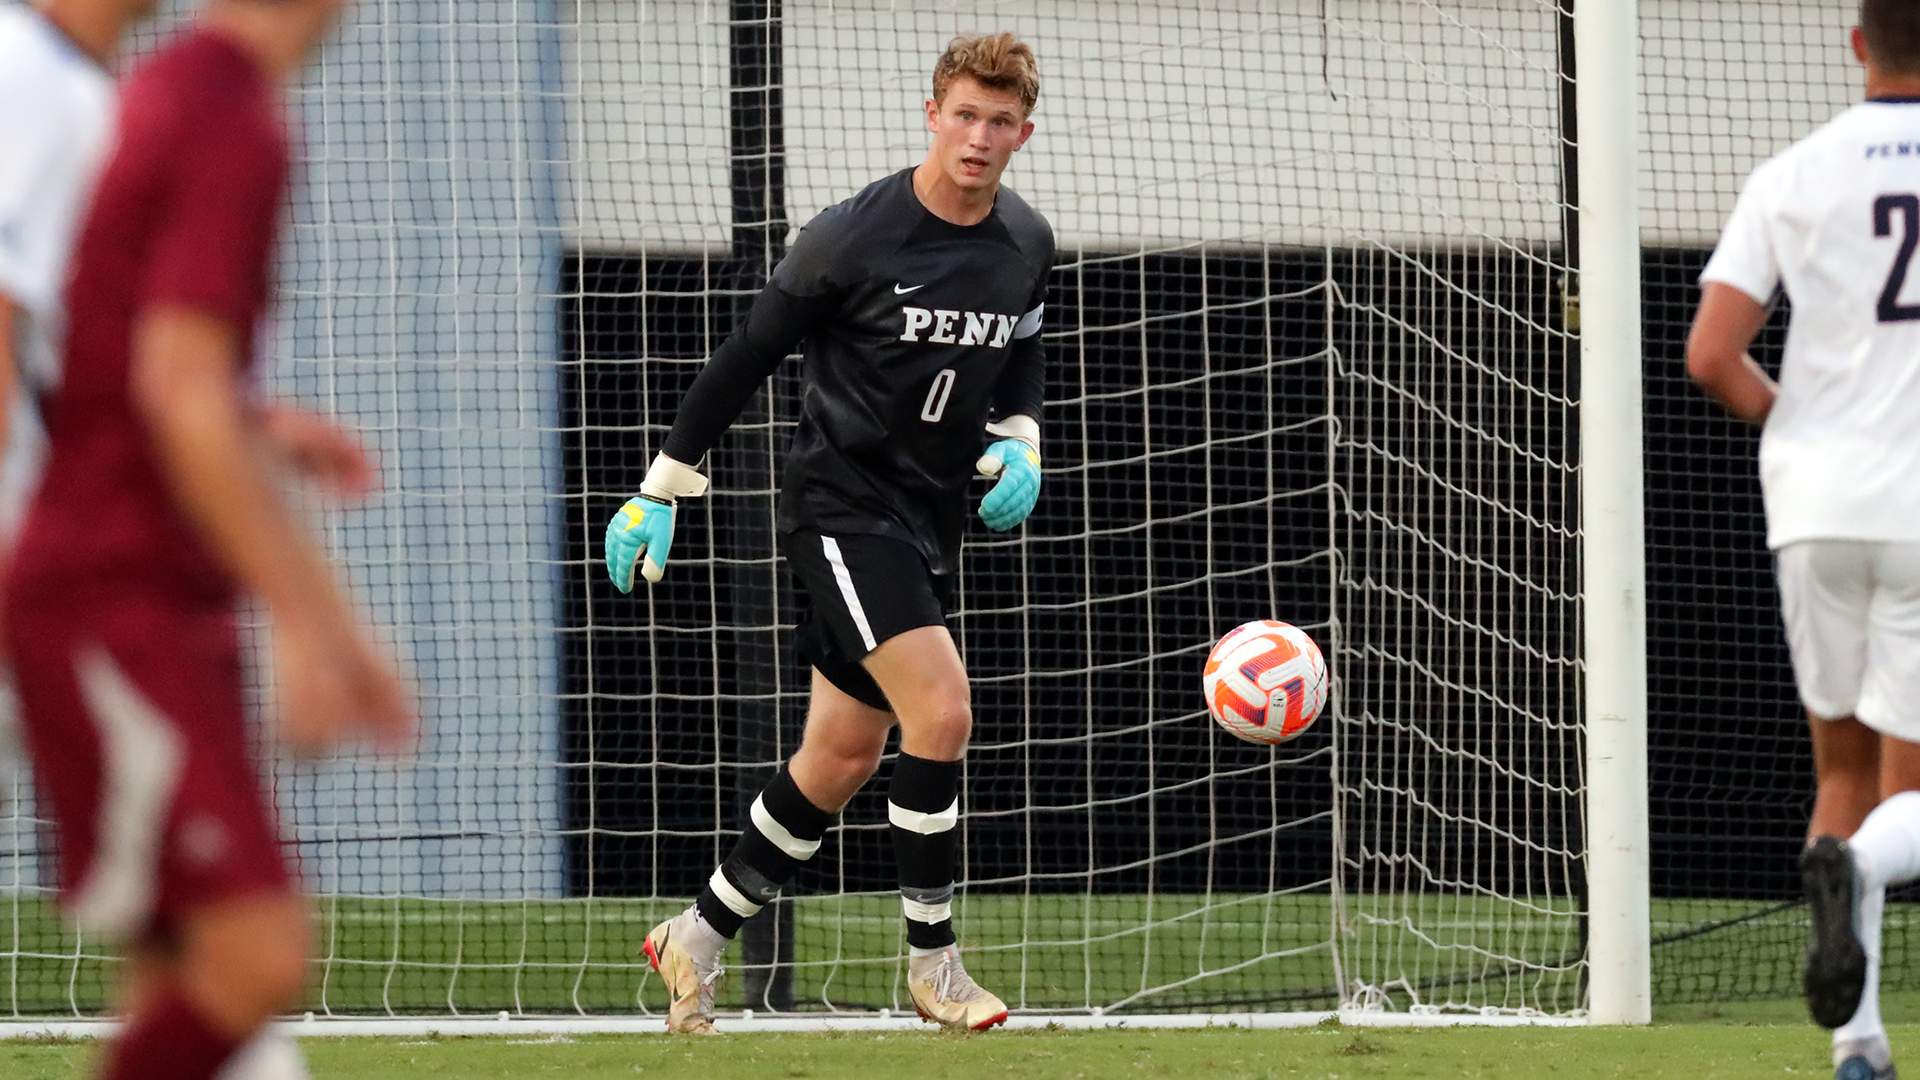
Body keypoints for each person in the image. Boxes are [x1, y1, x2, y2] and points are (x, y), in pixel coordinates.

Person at [605, 31, 1052, 1035]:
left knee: (842, 757)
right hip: (841, 507)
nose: (979, 138)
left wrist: (1019, 442)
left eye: (999, 121)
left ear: (1025, 131)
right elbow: (743, 358)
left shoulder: (1026, 240)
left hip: (933, 517)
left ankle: (696, 934)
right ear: (932, 115)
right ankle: (934, 962)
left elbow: (1024, 351)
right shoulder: (853, 235)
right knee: (940, 715)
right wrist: (661, 489)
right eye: (964, 116)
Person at [2, 0, 415, 1077]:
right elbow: (171, 391)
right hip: (108, 593)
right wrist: (321, 628)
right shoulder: (219, 116)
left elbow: (123, 366)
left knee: (189, 972)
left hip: (116, 583)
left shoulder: (156, 93)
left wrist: (257, 427)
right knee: (256, 952)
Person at [1689, 2, 1920, 1077]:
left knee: (1841, 768)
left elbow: (1712, 355)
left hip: (1815, 504)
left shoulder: (1792, 171)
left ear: (1858, 43)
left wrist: (1807, 433)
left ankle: (1859, 1050)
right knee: (1905, 799)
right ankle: (1858, 874)